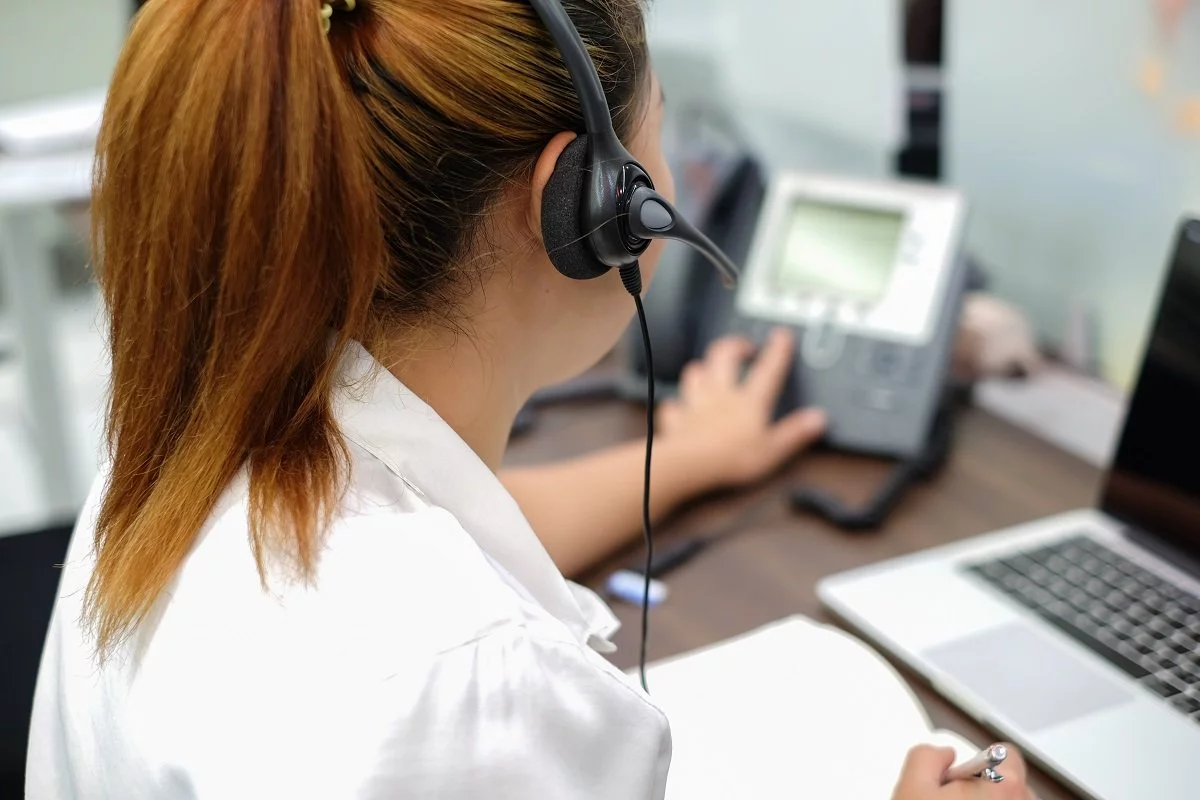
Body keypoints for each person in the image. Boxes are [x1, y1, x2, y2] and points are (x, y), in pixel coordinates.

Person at [26, 0, 1036, 797]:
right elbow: (446, 640)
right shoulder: (454, 700)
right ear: (583, 203)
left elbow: (455, 532)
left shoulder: (199, 430)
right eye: (660, 135)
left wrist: (691, 457)